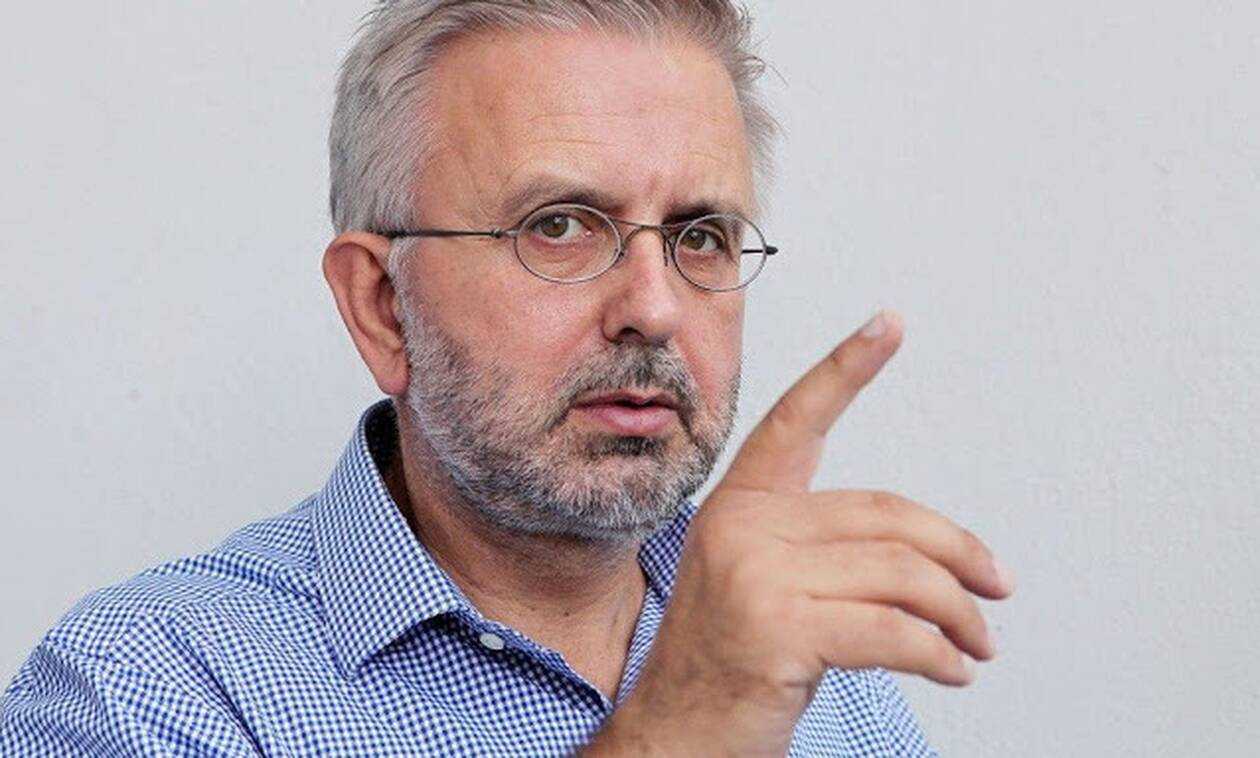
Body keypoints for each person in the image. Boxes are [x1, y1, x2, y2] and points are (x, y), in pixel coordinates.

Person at [1, 1, 1014, 754]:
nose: (655, 306)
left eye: (701, 235)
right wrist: (681, 731)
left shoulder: (827, 682)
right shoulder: (141, 688)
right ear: (381, 305)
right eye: (560, 225)